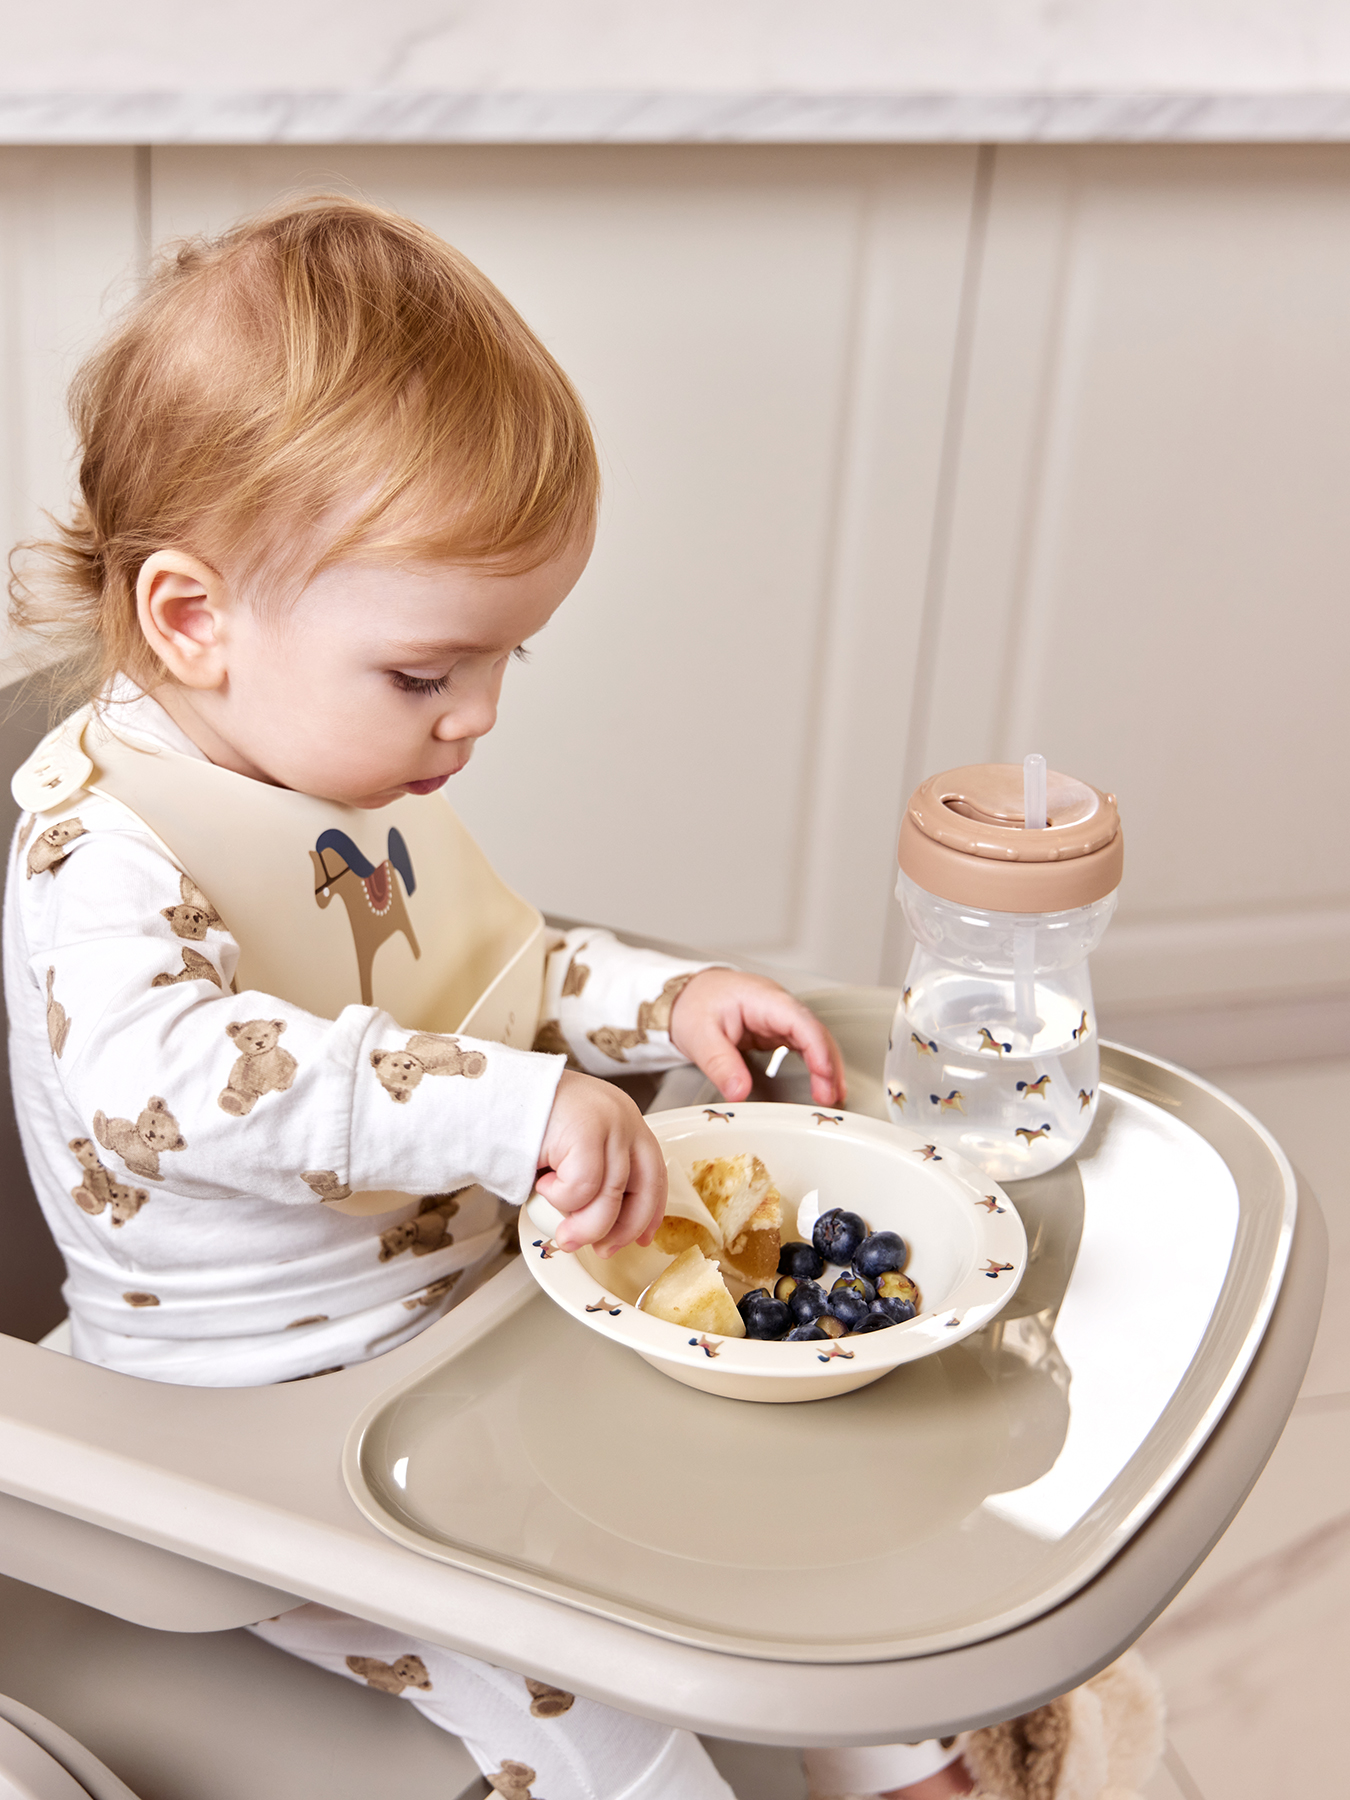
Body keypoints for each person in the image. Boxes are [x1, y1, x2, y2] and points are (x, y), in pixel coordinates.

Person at [2, 196, 1030, 1800]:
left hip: (463, 1333)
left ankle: (905, 1759)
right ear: (193, 620)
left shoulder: (322, 772)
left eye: (503, 663)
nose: (473, 715)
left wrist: (662, 1005)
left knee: (763, 1529)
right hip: (250, 1425)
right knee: (582, 1698)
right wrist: (517, 1107)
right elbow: (178, 1086)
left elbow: (490, 973)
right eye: (427, 672)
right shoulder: (101, 858)